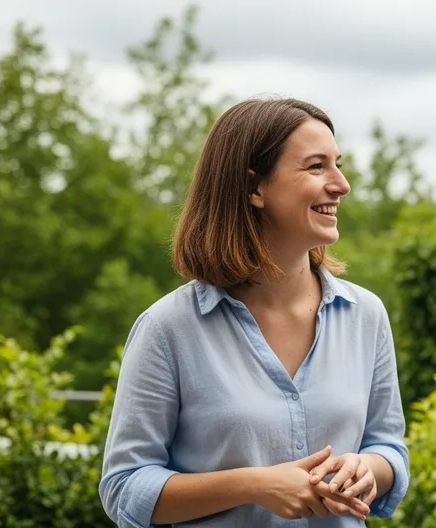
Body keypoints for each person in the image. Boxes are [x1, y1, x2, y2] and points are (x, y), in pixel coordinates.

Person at [99, 97, 409, 527]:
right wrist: (254, 485)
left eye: (337, 165)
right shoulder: (167, 328)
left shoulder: (366, 316)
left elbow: (388, 448)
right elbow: (125, 487)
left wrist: (367, 468)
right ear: (255, 188)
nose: (342, 185)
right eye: (316, 167)